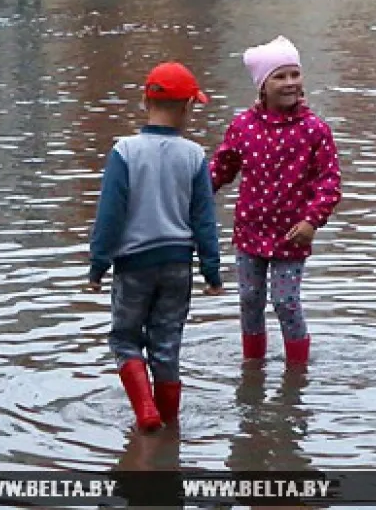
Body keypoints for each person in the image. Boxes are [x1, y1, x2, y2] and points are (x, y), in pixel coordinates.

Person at [86, 61, 225, 432]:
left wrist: (98, 265)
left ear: (143, 101)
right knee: (167, 343)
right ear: (188, 108)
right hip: (178, 266)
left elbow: (110, 215)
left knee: (124, 338)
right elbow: (204, 220)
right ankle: (171, 421)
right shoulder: (194, 156)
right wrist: (212, 271)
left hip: (133, 265)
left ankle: (146, 412)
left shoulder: (124, 152)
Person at [210, 36, 342, 366]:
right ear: (262, 86)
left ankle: (296, 373)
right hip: (250, 231)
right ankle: (252, 367)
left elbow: (329, 181)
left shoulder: (315, 130)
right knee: (249, 298)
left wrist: (313, 220)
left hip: (292, 233)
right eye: (280, 77)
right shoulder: (243, 127)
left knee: (285, 301)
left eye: (294, 74)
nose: (290, 83)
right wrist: (188, 196)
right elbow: (221, 169)